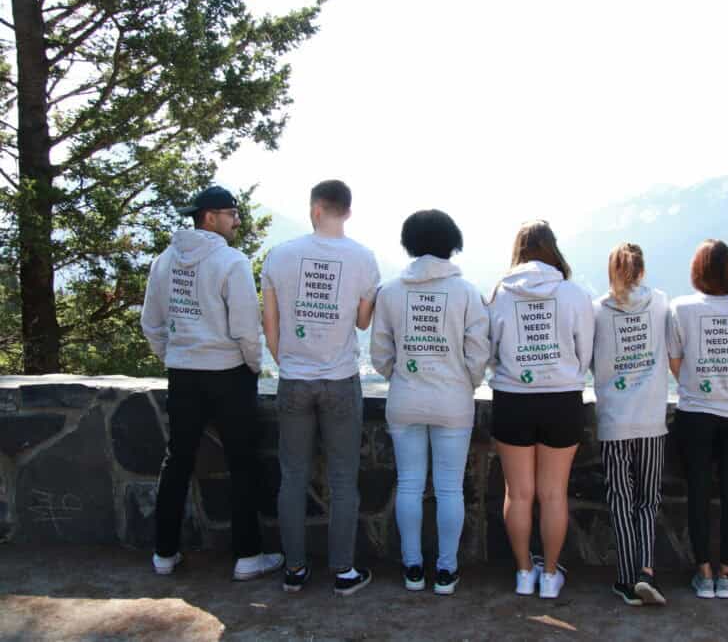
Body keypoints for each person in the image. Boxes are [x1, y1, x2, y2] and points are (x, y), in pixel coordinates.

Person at [141, 186, 283, 580]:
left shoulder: (163, 261)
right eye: (231, 213)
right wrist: (253, 366)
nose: (237, 220)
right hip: (229, 374)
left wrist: (174, 356)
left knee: (177, 460)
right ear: (209, 217)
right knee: (242, 462)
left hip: (183, 374)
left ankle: (164, 553)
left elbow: (151, 323)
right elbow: (244, 328)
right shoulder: (231, 262)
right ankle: (247, 557)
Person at [261, 180, 380, 595]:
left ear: (315, 209)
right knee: (344, 478)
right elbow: (363, 322)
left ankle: (294, 570)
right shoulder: (364, 259)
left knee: (292, 475)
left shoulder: (280, 255)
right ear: (347, 212)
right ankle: (344, 572)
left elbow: (270, 322)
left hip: (295, 378)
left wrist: (286, 361)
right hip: (341, 379)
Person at [370, 210, 489, 596]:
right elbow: (477, 354)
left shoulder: (389, 291)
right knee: (450, 489)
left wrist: (401, 376)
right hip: (453, 401)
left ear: (409, 243)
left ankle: (412, 568)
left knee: (408, 484)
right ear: (451, 242)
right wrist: (463, 382)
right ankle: (446, 571)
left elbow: (380, 353)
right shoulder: (467, 292)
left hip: (405, 398)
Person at [487, 220, 594, 599]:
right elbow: (586, 352)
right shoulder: (574, 294)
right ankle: (549, 576)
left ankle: (522, 572)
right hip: (562, 399)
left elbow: (491, 347)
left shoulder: (501, 292)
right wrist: (564, 374)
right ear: (553, 249)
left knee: (518, 494)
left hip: (513, 398)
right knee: (553, 494)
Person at [668, 239, 728, 600]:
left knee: (697, 492)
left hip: (695, 413)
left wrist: (699, 386)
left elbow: (675, 362)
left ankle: (703, 572)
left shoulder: (682, 308)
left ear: (697, 271)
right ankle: (727, 574)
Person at [591, 243, 670, 607]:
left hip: (614, 420)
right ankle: (646, 572)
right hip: (652, 419)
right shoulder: (661, 303)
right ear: (642, 270)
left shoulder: (598, 311)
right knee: (648, 501)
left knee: (621, 500)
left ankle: (625, 579)